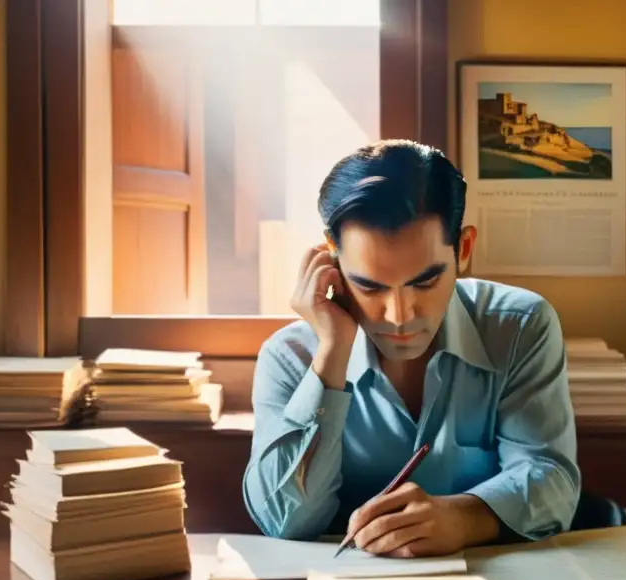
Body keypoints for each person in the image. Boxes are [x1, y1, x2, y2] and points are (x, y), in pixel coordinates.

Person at [242, 139, 581, 557]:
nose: (400, 315)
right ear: (331, 261)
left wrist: (461, 519)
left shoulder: (520, 327)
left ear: (465, 250)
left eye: (425, 281)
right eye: (369, 285)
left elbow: (552, 481)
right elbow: (284, 520)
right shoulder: (290, 356)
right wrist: (332, 352)